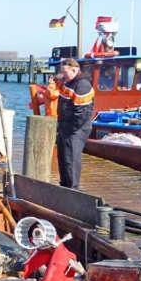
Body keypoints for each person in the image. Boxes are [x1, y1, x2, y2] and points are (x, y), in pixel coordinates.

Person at [52, 58, 95, 189]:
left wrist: (70, 129)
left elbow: (82, 113)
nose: (62, 74)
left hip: (76, 130)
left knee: (71, 160)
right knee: (63, 159)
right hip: (65, 127)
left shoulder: (82, 85)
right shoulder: (68, 83)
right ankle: (64, 185)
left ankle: (73, 187)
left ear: (74, 70)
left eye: (65, 71)